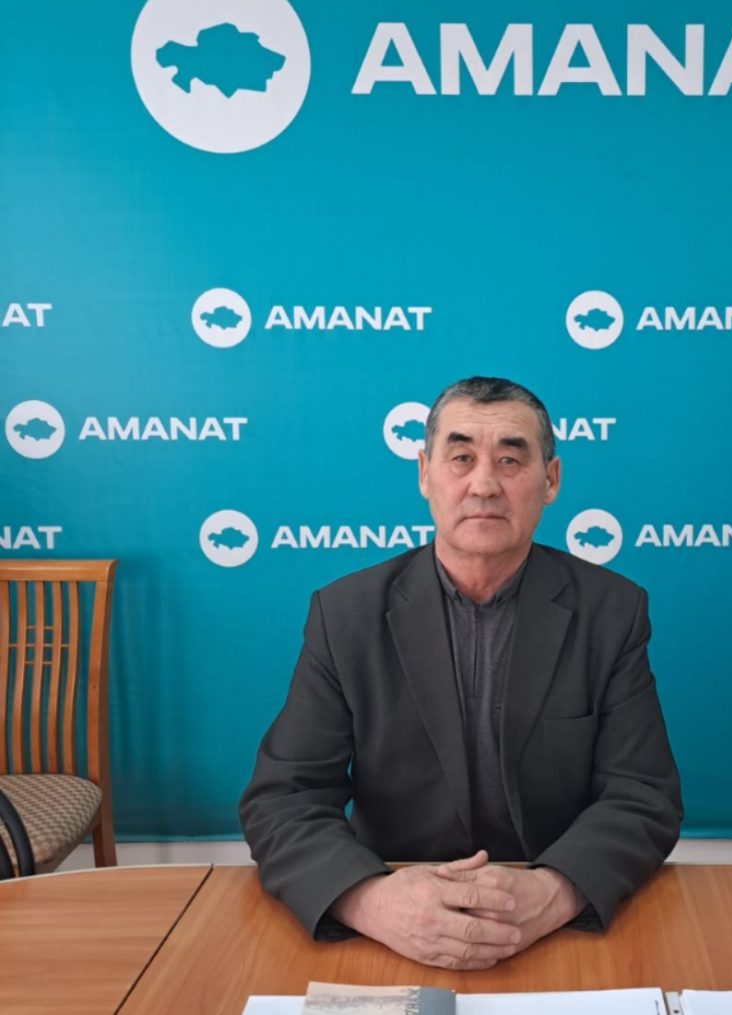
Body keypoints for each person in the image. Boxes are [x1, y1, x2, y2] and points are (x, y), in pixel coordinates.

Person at [239, 376, 682, 970]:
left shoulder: (612, 612)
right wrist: (369, 900)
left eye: (510, 460)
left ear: (551, 480)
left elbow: (642, 795)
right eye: (461, 458)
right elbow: (284, 798)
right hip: (391, 923)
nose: (484, 484)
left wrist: (555, 890)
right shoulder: (345, 614)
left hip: (554, 928)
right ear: (425, 474)